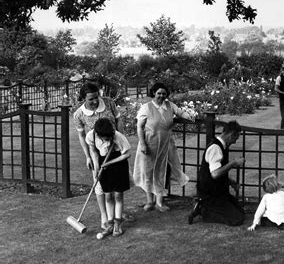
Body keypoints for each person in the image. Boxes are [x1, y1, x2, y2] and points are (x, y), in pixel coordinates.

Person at [133, 82, 194, 212]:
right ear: (153, 93)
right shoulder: (146, 107)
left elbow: (179, 112)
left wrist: (187, 116)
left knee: (162, 171)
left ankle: (159, 202)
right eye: (159, 93)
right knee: (148, 171)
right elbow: (139, 127)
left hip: (165, 145)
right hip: (149, 144)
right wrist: (143, 144)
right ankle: (149, 201)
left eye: (164, 94)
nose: (161, 96)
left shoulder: (170, 105)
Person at [73, 81, 124, 229]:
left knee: (117, 183)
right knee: (100, 184)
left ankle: (118, 214)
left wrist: (119, 138)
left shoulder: (109, 103)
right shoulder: (79, 114)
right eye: (91, 99)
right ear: (84, 98)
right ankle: (104, 215)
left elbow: (118, 120)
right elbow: (82, 137)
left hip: (115, 150)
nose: (95, 101)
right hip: (97, 153)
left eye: (96, 96)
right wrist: (88, 156)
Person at [189, 120, 245, 226]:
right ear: (231, 134)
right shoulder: (215, 148)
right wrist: (234, 162)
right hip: (210, 194)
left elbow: (217, 171)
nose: (235, 142)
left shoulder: (221, 147)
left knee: (240, 212)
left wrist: (231, 182)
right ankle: (203, 209)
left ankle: (205, 207)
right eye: (235, 138)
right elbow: (215, 174)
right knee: (237, 219)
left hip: (218, 192)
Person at [87, 118, 131, 237]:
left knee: (117, 195)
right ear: (98, 135)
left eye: (109, 137)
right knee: (108, 196)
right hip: (104, 166)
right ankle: (110, 223)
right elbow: (94, 153)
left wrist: (110, 163)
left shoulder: (118, 136)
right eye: (105, 138)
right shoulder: (91, 136)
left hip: (119, 166)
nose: (108, 139)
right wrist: (96, 169)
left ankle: (118, 223)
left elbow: (127, 154)